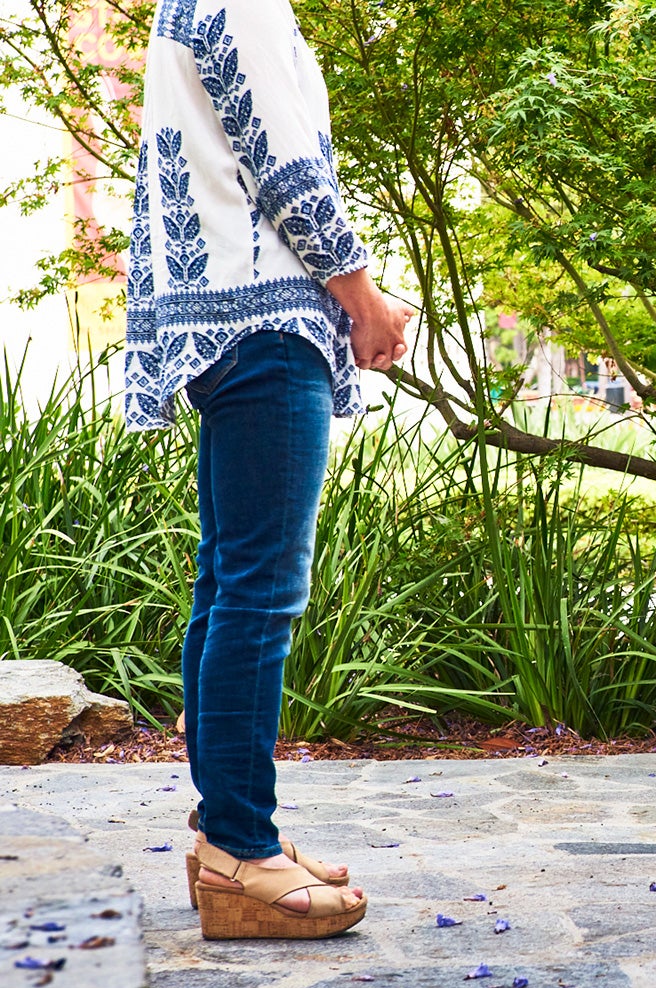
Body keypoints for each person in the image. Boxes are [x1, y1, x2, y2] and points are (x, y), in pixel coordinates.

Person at [125, 0, 410, 938]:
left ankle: (230, 839)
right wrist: (362, 297)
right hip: (265, 320)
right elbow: (283, 163)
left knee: (228, 584)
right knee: (259, 592)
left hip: (222, 319)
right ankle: (244, 853)